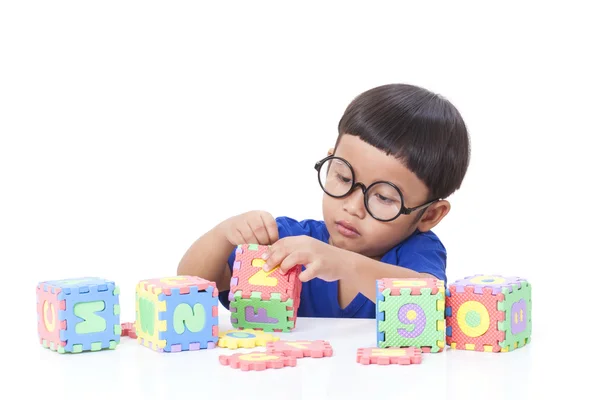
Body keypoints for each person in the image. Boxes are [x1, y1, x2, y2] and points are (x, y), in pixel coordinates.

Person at [177, 83, 471, 318]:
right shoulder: (288, 242)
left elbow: (429, 299)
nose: (352, 207)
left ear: (430, 215)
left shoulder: (416, 252)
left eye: (383, 197)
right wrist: (223, 236)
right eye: (343, 178)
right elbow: (192, 287)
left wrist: (344, 264)